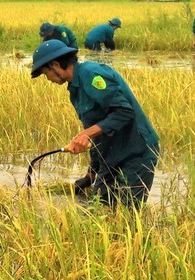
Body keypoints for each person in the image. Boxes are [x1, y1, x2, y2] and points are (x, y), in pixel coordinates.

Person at [30, 40, 159, 209]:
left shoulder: (91, 75)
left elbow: (124, 112)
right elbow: (99, 132)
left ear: (55, 65)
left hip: (136, 152)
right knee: (95, 210)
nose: (48, 79)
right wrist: (91, 174)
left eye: (46, 73)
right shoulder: (75, 90)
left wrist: (84, 135)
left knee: (127, 216)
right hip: (112, 154)